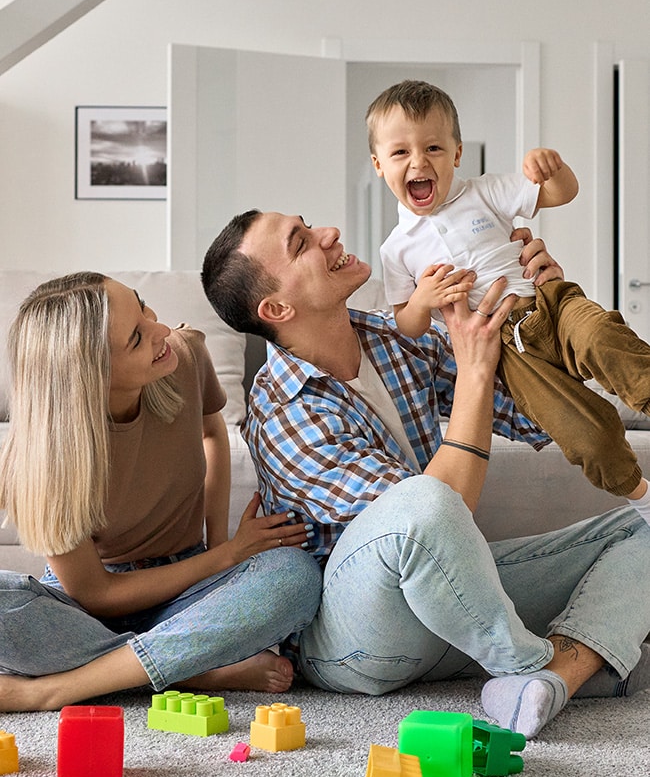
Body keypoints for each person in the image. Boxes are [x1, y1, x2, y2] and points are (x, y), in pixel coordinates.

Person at [201, 210, 650, 739]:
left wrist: (549, 313)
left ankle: (559, 675)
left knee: (641, 529)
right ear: (276, 307)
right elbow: (435, 513)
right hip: (354, 636)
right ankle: (530, 664)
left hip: (453, 606)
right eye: (302, 243)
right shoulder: (283, 412)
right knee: (421, 502)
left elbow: (541, 417)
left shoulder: (395, 338)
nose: (329, 234)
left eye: (310, 224)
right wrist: (476, 373)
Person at [0, 272, 322, 713]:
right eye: (136, 338)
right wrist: (225, 558)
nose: (161, 330)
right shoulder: (40, 462)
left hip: (188, 586)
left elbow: (213, 434)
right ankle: (192, 667)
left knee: (294, 576)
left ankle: (65, 685)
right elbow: (97, 595)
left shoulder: (183, 357)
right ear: (90, 376)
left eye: (143, 306)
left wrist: (222, 546)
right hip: (88, 611)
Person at [367, 79, 650, 523]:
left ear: (457, 154)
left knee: (603, 337)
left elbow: (561, 194)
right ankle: (641, 493)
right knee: (577, 431)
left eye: (434, 148)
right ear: (379, 165)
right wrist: (422, 300)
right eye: (401, 152)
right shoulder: (396, 248)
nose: (419, 161)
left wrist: (552, 169)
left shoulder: (485, 191)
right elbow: (408, 324)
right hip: (509, 353)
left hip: (550, 303)